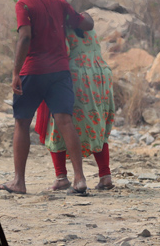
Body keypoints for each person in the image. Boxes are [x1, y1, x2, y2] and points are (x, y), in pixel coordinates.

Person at [0, 0, 94, 195]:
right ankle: (79, 179)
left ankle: (19, 181)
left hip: (34, 71)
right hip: (60, 71)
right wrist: (89, 16)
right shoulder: (58, 2)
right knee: (65, 122)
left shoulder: (23, 5)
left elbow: (25, 36)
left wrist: (15, 73)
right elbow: (84, 24)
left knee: (21, 123)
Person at [36, 25, 115, 191]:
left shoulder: (61, 29)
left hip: (76, 77)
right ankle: (105, 176)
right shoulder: (87, 25)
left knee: (57, 124)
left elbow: (59, 55)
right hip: (100, 75)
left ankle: (61, 177)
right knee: (97, 124)